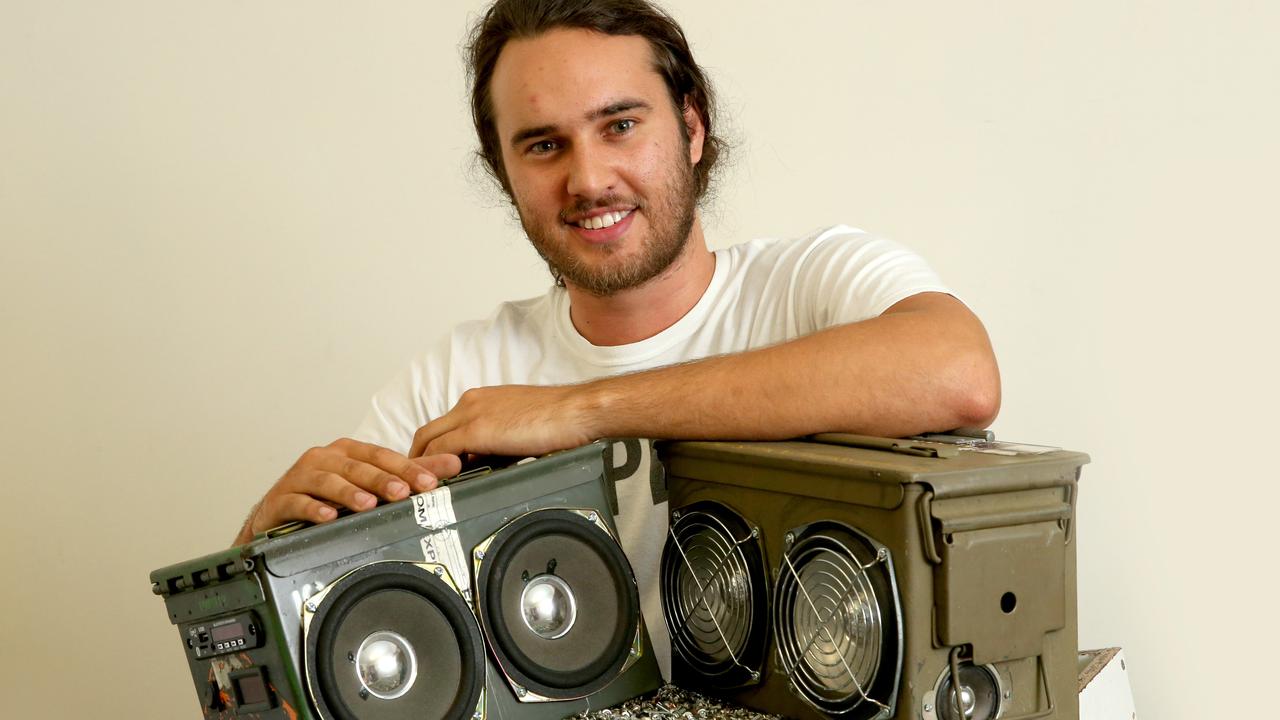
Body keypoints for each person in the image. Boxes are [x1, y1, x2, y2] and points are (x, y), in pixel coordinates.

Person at [232, 0, 1000, 677]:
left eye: (620, 125)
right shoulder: (455, 376)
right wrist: (263, 562)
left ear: (692, 127)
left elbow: (958, 372)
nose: (589, 179)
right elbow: (327, 647)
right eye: (543, 145)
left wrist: (585, 410)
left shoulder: (817, 281)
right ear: (503, 173)